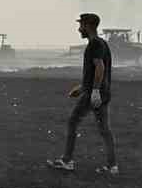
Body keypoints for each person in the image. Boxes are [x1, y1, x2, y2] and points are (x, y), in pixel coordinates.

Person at [48, 12, 118, 175]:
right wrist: (82, 88)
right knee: (104, 129)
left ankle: (67, 161)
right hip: (102, 92)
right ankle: (112, 166)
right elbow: (96, 70)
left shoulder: (94, 44)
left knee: (73, 121)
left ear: (88, 26)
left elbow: (100, 67)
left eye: (81, 25)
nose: (79, 29)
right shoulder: (102, 43)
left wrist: (93, 91)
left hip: (97, 93)